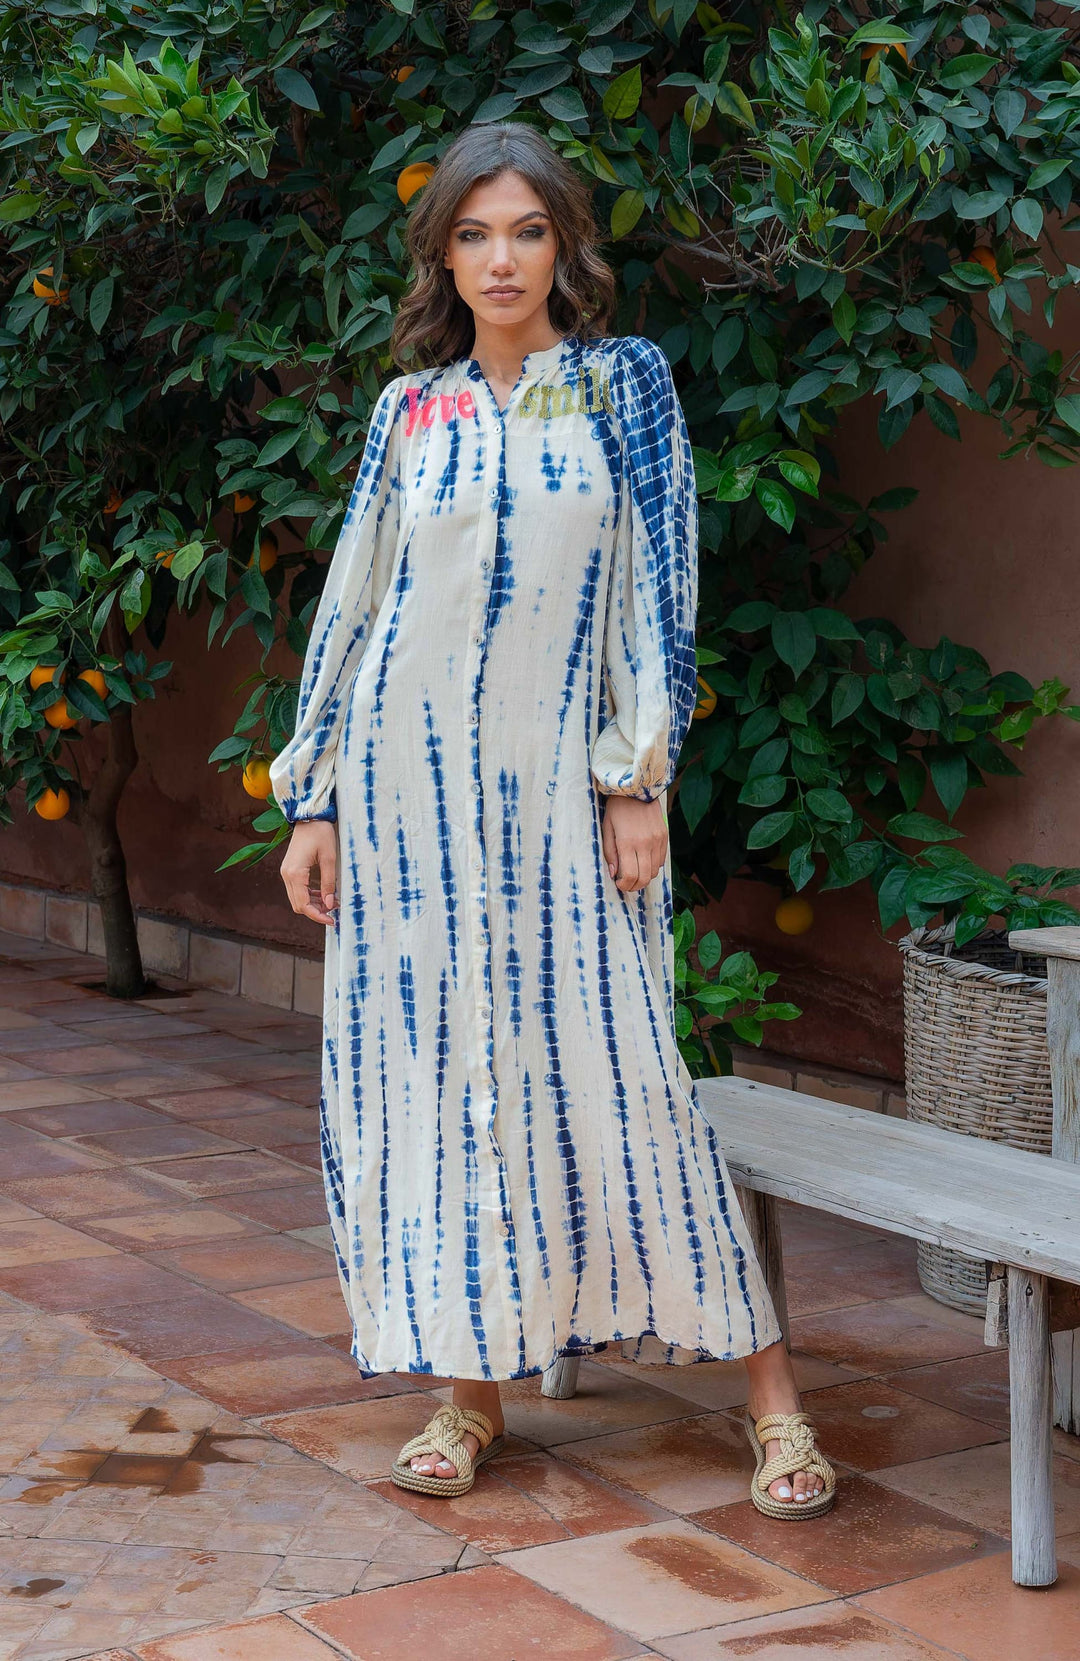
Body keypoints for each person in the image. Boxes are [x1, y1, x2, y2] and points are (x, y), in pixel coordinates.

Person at [268, 121, 835, 1519]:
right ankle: (469, 1392)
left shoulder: (621, 385)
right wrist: (315, 796)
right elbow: (357, 603)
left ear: (564, 246)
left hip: (561, 797)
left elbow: (659, 586)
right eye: (473, 234)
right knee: (436, 1076)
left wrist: (637, 779)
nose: (501, 259)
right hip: (405, 805)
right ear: (442, 257)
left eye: (526, 230)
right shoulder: (411, 412)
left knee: (626, 1070)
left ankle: (773, 1399)